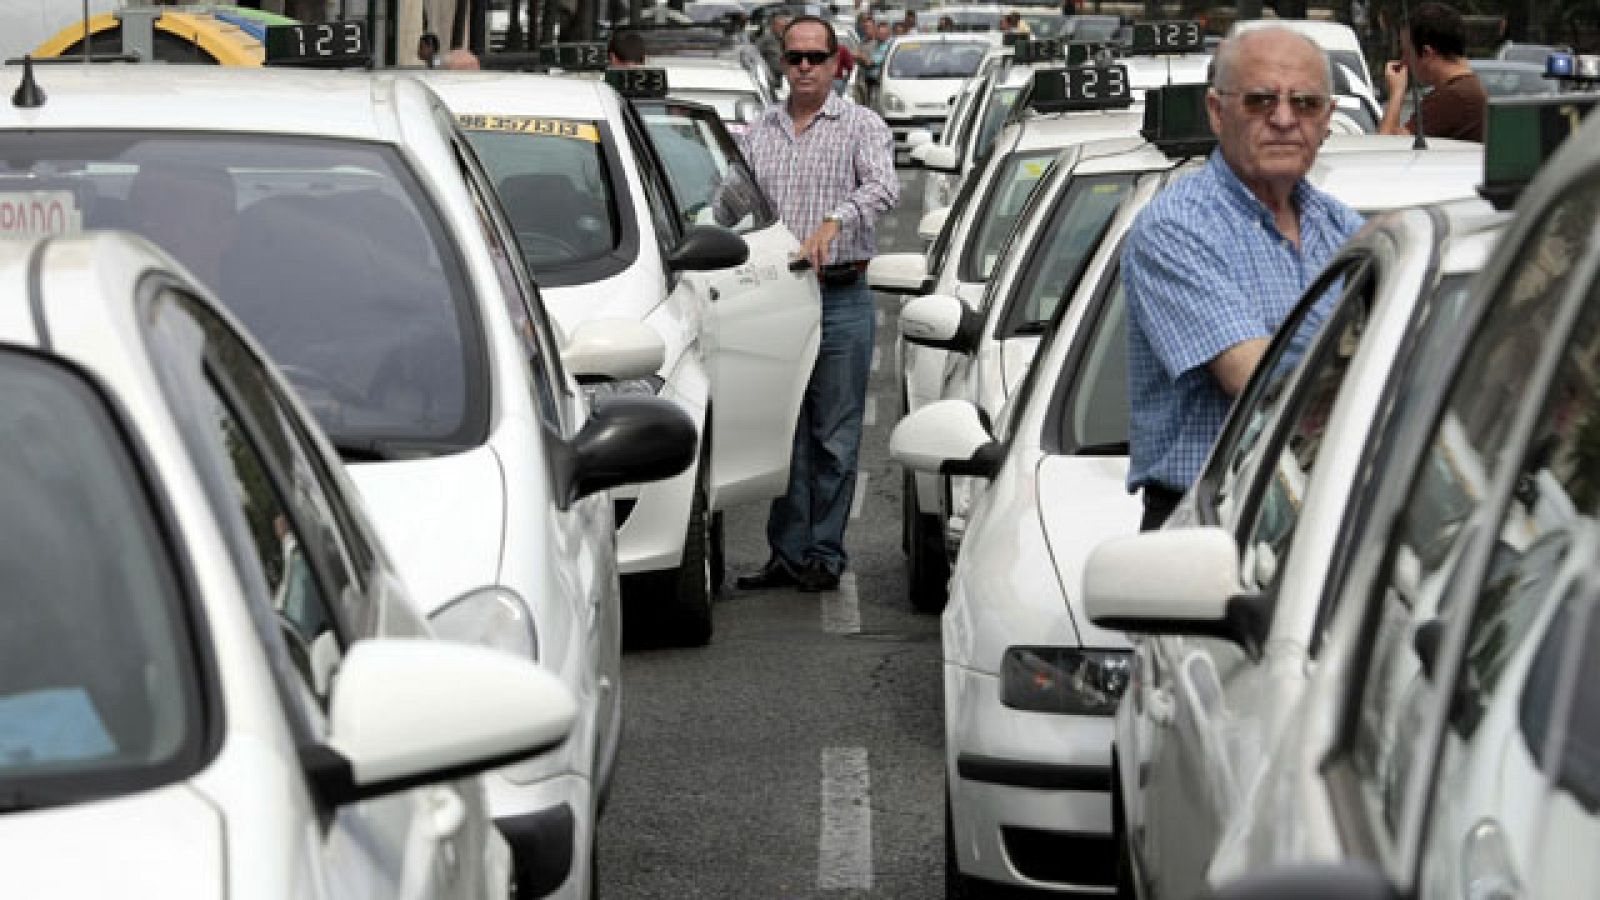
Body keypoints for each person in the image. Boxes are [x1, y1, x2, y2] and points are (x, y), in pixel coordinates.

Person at [1122, 27, 1365, 531]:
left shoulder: (1342, 227)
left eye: (1305, 103)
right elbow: (1258, 380)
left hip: (1330, 518)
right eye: (1260, 101)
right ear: (1217, 112)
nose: (1284, 120)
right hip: (1209, 523)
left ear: (1327, 120)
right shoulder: (1176, 227)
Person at [732, 14, 898, 593]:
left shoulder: (862, 126)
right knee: (784, 432)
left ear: (835, 64)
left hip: (840, 297)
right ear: (782, 64)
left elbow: (882, 187)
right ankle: (786, 553)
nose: (804, 67)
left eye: (816, 57)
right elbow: (730, 201)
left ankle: (825, 552)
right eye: (795, 57)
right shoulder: (759, 131)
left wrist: (835, 221)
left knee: (833, 436)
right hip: (775, 300)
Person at [1380, 1, 1488, 142]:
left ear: (1427, 54)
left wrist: (1397, 92)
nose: (1404, 61)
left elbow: (1386, 144)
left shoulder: (1453, 97)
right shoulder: (1466, 89)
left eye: (1407, 52)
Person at [125, 161, 239, 293]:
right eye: (139, 209)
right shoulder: (106, 299)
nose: (146, 223)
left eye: (168, 209)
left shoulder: (252, 304)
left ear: (224, 232)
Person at [758, 12, 793, 85]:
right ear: (773, 26)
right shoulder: (765, 40)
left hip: (787, 79)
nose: (783, 29)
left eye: (785, 27)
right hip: (771, 79)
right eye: (781, 26)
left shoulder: (789, 40)